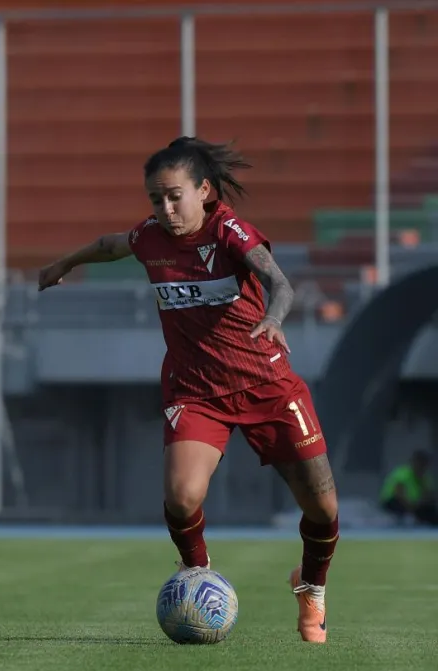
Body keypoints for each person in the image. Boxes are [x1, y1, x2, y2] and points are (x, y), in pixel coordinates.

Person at [38, 137, 339, 644]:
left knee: (324, 511)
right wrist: (64, 263)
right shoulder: (151, 237)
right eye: (156, 200)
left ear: (204, 190)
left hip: (267, 385)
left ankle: (311, 590)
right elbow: (112, 244)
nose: (165, 208)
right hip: (196, 390)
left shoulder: (229, 232)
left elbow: (280, 282)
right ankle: (197, 579)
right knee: (181, 498)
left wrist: (273, 316)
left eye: (175, 196)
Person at [380, 450, 438, 526]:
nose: (421, 467)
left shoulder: (426, 478)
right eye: (419, 463)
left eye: (423, 464)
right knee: (399, 507)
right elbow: (399, 494)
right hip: (394, 502)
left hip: (414, 504)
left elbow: (429, 496)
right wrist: (412, 509)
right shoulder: (403, 473)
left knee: (431, 512)